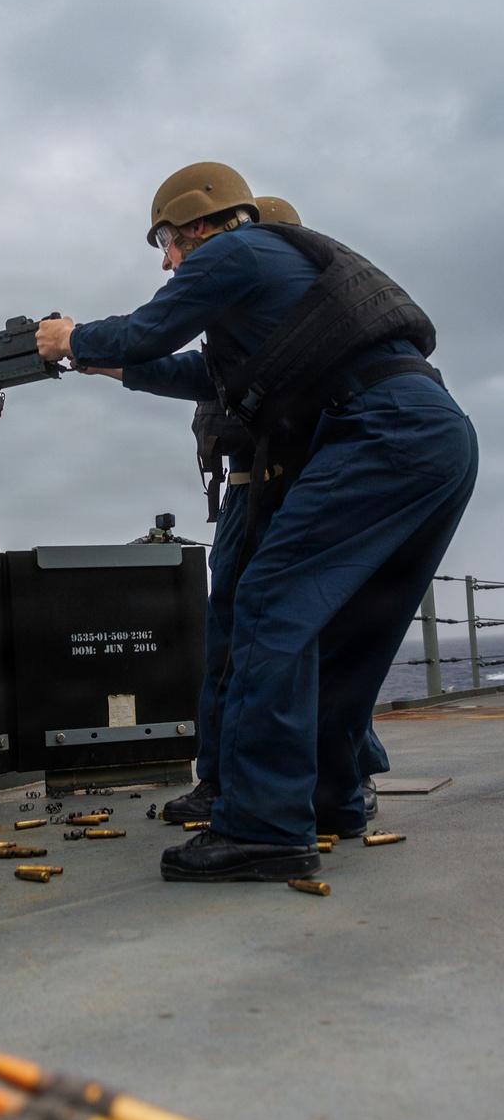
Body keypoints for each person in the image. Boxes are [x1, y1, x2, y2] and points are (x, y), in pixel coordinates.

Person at [37, 163, 477, 880]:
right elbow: (200, 375)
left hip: (376, 431)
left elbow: (151, 327)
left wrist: (71, 339)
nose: (167, 260)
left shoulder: (232, 252)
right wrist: (106, 366)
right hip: (435, 436)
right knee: (349, 630)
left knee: (268, 603)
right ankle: (332, 796)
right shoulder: (280, 276)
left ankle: (264, 829)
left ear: (195, 225)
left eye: (165, 242)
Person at [118, 196, 385, 834]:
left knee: (292, 630)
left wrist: (104, 347)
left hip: (290, 485)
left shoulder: (296, 326)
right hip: (243, 492)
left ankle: (343, 775)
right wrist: (113, 363)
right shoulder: (244, 330)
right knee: (232, 639)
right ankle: (225, 781)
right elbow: (200, 374)